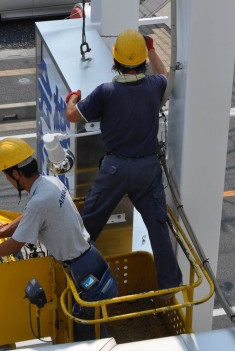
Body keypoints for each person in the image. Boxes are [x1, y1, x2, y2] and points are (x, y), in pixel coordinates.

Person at [64, 29, 182, 290]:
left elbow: (72, 116)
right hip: (148, 170)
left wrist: (72, 99)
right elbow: (166, 76)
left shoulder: (105, 92)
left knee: (87, 227)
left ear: (115, 61)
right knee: (157, 228)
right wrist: (151, 48)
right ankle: (169, 287)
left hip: (115, 170)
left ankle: (74, 280)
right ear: (142, 62)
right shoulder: (154, 86)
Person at [0, 137, 118, 341]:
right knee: (88, 321)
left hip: (81, 268)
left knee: (86, 329)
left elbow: (14, 246)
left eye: (7, 177)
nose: (9, 182)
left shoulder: (39, 200)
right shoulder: (48, 182)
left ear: (16, 173)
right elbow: (28, 217)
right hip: (89, 256)